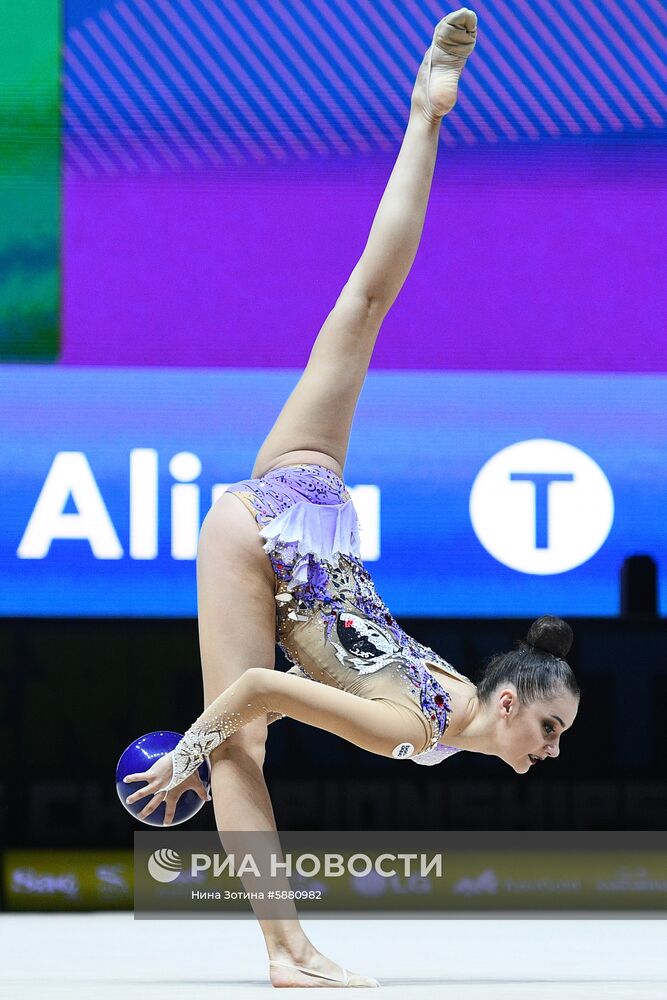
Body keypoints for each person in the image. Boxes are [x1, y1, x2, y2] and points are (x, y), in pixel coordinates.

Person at [124, 8, 580, 988]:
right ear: (506, 705)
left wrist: (238, 718)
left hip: (313, 498)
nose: (549, 750)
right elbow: (254, 694)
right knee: (239, 743)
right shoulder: (416, 726)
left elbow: (314, 669)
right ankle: (287, 952)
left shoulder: (455, 699)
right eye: (546, 730)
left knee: (363, 306)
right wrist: (190, 754)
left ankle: (425, 113)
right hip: (261, 537)